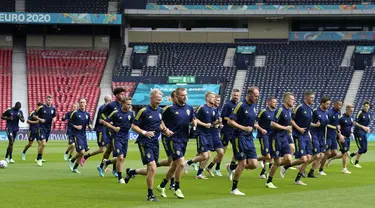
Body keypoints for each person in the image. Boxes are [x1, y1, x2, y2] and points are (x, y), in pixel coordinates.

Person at [125, 89, 171, 202]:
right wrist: (144, 132)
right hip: (144, 142)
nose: (159, 101)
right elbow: (133, 126)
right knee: (152, 167)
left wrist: (165, 130)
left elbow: (160, 122)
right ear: (151, 98)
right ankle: (150, 195)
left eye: (160, 99)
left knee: (151, 170)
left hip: (155, 142)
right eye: (157, 99)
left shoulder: (160, 110)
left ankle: (132, 172)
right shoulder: (143, 111)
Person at [156, 87, 196, 199]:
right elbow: (159, 120)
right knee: (181, 163)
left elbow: (193, 119)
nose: (185, 96)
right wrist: (165, 130)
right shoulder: (169, 109)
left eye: (186, 94)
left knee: (174, 165)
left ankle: (162, 185)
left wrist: (194, 123)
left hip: (184, 139)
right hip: (173, 139)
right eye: (182, 95)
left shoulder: (189, 108)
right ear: (177, 96)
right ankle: (177, 188)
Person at [227, 86, 261, 195]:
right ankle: (234, 189)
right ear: (250, 94)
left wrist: (255, 126)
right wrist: (243, 128)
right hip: (239, 137)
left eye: (258, 96)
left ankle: (231, 167)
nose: (257, 98)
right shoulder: (240, 105)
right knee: (242, 163)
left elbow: (251, 120)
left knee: (254, 164)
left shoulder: (253, 106)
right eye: (256, 96)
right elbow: (230, 121)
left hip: (249, 138)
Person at [280, 91, 314, 183]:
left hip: (306, 136)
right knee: (303, 159)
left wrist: (309, 133)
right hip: (298, 135)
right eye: (311, 97)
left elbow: (308, 123)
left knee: (309, 158)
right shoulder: (300, 107)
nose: (313, 99)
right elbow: (291, 119)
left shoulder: (310, 110)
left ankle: (297, 179)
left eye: (313, 97)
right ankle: (285, 166)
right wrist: (298, 129)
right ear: (306, 98)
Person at [184, 92, 219, 179]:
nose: (213, 99)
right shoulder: (202, 108)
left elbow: (213, 123)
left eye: (214, 97)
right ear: (207, 98)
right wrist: (204, 124)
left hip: (209, 134)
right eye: (211, 97)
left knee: (208, 156)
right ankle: (187, 163)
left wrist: (218, 122)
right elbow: (194, 119)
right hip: (201, 133)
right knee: (205, 155)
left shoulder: (214, 110)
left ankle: (199, 174)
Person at [101, 97, 133, 183]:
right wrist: (113, 127)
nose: (129, 106)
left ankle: (107, 162)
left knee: (122, 158)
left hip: (125, 138)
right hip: (116, 137)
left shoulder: (131, 114)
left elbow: (132, 124)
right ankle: (120, 178)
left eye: (130, 104)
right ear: (123, 104)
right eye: (128, 104)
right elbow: (105, 122)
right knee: (120, 157)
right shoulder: (115, 113)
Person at [265, 92, 294, 189]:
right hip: (275, 138)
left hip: (284, 138)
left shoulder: (289, 110)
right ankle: (269, 181)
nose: (293, 101)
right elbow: (272, 123)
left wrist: (288, 131)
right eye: (291, 99)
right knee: (277, 161)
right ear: (286, 100)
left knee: (289, 160)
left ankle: (272, 165)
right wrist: (285, 128)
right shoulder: (280, 109)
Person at [96, 88, 126, 177]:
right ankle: (114, 170)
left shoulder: (123, 105)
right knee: (116, 151)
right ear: (116, 95)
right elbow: (101, 114)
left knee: (110, 150)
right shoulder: (111, 105)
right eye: (121, 94)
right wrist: (108, 122)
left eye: (124, 94)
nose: (123, 96)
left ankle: (102, 166)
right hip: (112, 131)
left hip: (120, 132)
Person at [80, 95, 112, 165]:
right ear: (110, 101)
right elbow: (101, 120)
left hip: (105, 130)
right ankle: (86, 156)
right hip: (101, 130)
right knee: (102, 149)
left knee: (109, 149)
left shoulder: (106, 108)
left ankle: (103, 165)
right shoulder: (103, 108)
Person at [327, 104, 354, 174]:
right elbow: (337, 127)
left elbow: (350, 127)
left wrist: (351, 133)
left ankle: (330, 158)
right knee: (345, 153)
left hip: (348, 138)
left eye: (352, 111)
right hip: (341, 138)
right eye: (350, 111)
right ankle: (344, 169)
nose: (351, 112)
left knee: (342, 154)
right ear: (347, 109)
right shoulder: (341, 118)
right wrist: (340, 135)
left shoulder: (351, 118)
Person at [307, 96, 330, 178]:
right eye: (327, 104)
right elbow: (308, 122)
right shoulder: (315, 111)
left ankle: (311, 172)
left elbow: (326, 126)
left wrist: (326, 137)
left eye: (329, 104)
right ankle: (302, 165)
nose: (328, 105)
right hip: (314, 135)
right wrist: (313, 127)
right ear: (322, 103)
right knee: (317, 155)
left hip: (322, 136)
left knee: (321, 155)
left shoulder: (326, 113)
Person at [68, 98, 92, 173]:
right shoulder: (75, 113)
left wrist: (90, 126)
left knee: (83, 152)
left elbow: (89, 123)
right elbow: (69, 122)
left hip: (83, 135)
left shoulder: (87, 114)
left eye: (83, 102)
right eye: (81, 102)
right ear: (79, 104)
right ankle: (72, 160)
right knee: (81, 151)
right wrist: (76, 126)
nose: (82, 103)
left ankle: (75, 168)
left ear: (86, 104)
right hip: (76, 134)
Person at [220, 89, 240, 179]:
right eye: (234, 95)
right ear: (232, 95)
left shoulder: (239, 106)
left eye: (237, 95)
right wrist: (232, 120)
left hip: (235, 131)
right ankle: (215, 167)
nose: (236, 97)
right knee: (222, 151)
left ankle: (231, 168)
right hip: (227, 130)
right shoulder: (228, 105)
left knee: (237, 149)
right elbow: (223, 117)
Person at [256, 96, 277, 179]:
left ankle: (262, 173)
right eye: (274, 102)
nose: (275, 104)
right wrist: (261, 129)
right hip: (263, 135)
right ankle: (250, 159)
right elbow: (255, 123)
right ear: (269, 102)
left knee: (270, 156)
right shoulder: (263, 111)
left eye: (276, 102)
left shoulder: (275, 112)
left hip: (272, 136)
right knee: (268, 156)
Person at [319, 100, 342, 173]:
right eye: (339, 105)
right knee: (327, 153)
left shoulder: (338, 113)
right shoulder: (329, 112)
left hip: (333, 136)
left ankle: (322, 160)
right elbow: (326, 124)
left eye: (341, 105)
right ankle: (321, 169)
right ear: (335, 104)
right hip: (328, 135)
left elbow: (337, 124)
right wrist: (335, 127)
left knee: (334, 153)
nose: (340, 107)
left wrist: (339, 133)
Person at [33, 95, 57, 165]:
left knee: (43, 145)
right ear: (46, 100)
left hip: (48, 129)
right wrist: (40, 119)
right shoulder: (41, 108)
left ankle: (39, 158)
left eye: (50, 100)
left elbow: (54, 116)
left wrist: (54, 119)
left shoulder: (53, 109)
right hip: (41, 127)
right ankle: (39, 158)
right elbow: (34, 115)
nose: (49, 102)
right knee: (43, 144)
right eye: (48, 100)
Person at [206, 94, 225, 177]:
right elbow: (211, 123)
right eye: (216, 100)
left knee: (221, 152)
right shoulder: (209, 109)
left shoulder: (217, 110)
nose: (218, 102)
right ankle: (195, 166)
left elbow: (216, 122)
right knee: (206, 155)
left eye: (219, 101)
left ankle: (210, 167)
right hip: (209, 133)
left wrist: (219, 123)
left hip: (216, 133)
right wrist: (217, 122)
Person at [350, 101, 372, 168]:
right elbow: (354, 122)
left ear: (369, 107)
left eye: (367, 106)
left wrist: (367, 128)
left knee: (364, 150)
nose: (366, 107)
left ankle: (351, 155)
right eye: (365, 106)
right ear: (363, 106)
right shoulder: (360, 112)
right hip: (358, 132)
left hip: (364, 132)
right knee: (361, 148)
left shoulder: (369, 113)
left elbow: (366, 124)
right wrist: (363, 127)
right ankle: (356, 163)